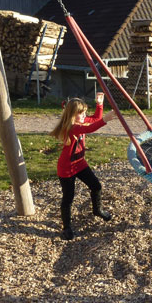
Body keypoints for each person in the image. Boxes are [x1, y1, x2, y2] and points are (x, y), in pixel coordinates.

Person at [50, 92, 117, 240]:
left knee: (96, 186)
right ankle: (67, 228)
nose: (84, 116)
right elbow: (90, 128)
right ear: (73, 115)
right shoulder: (73, 127)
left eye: (85, 112)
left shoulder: (80, 121)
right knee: (68, 198)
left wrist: (100, 104)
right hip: (66, 169)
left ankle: (97, 210)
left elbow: (94, 119)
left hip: (80, 164)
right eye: (81, 113)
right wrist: (106, 119)